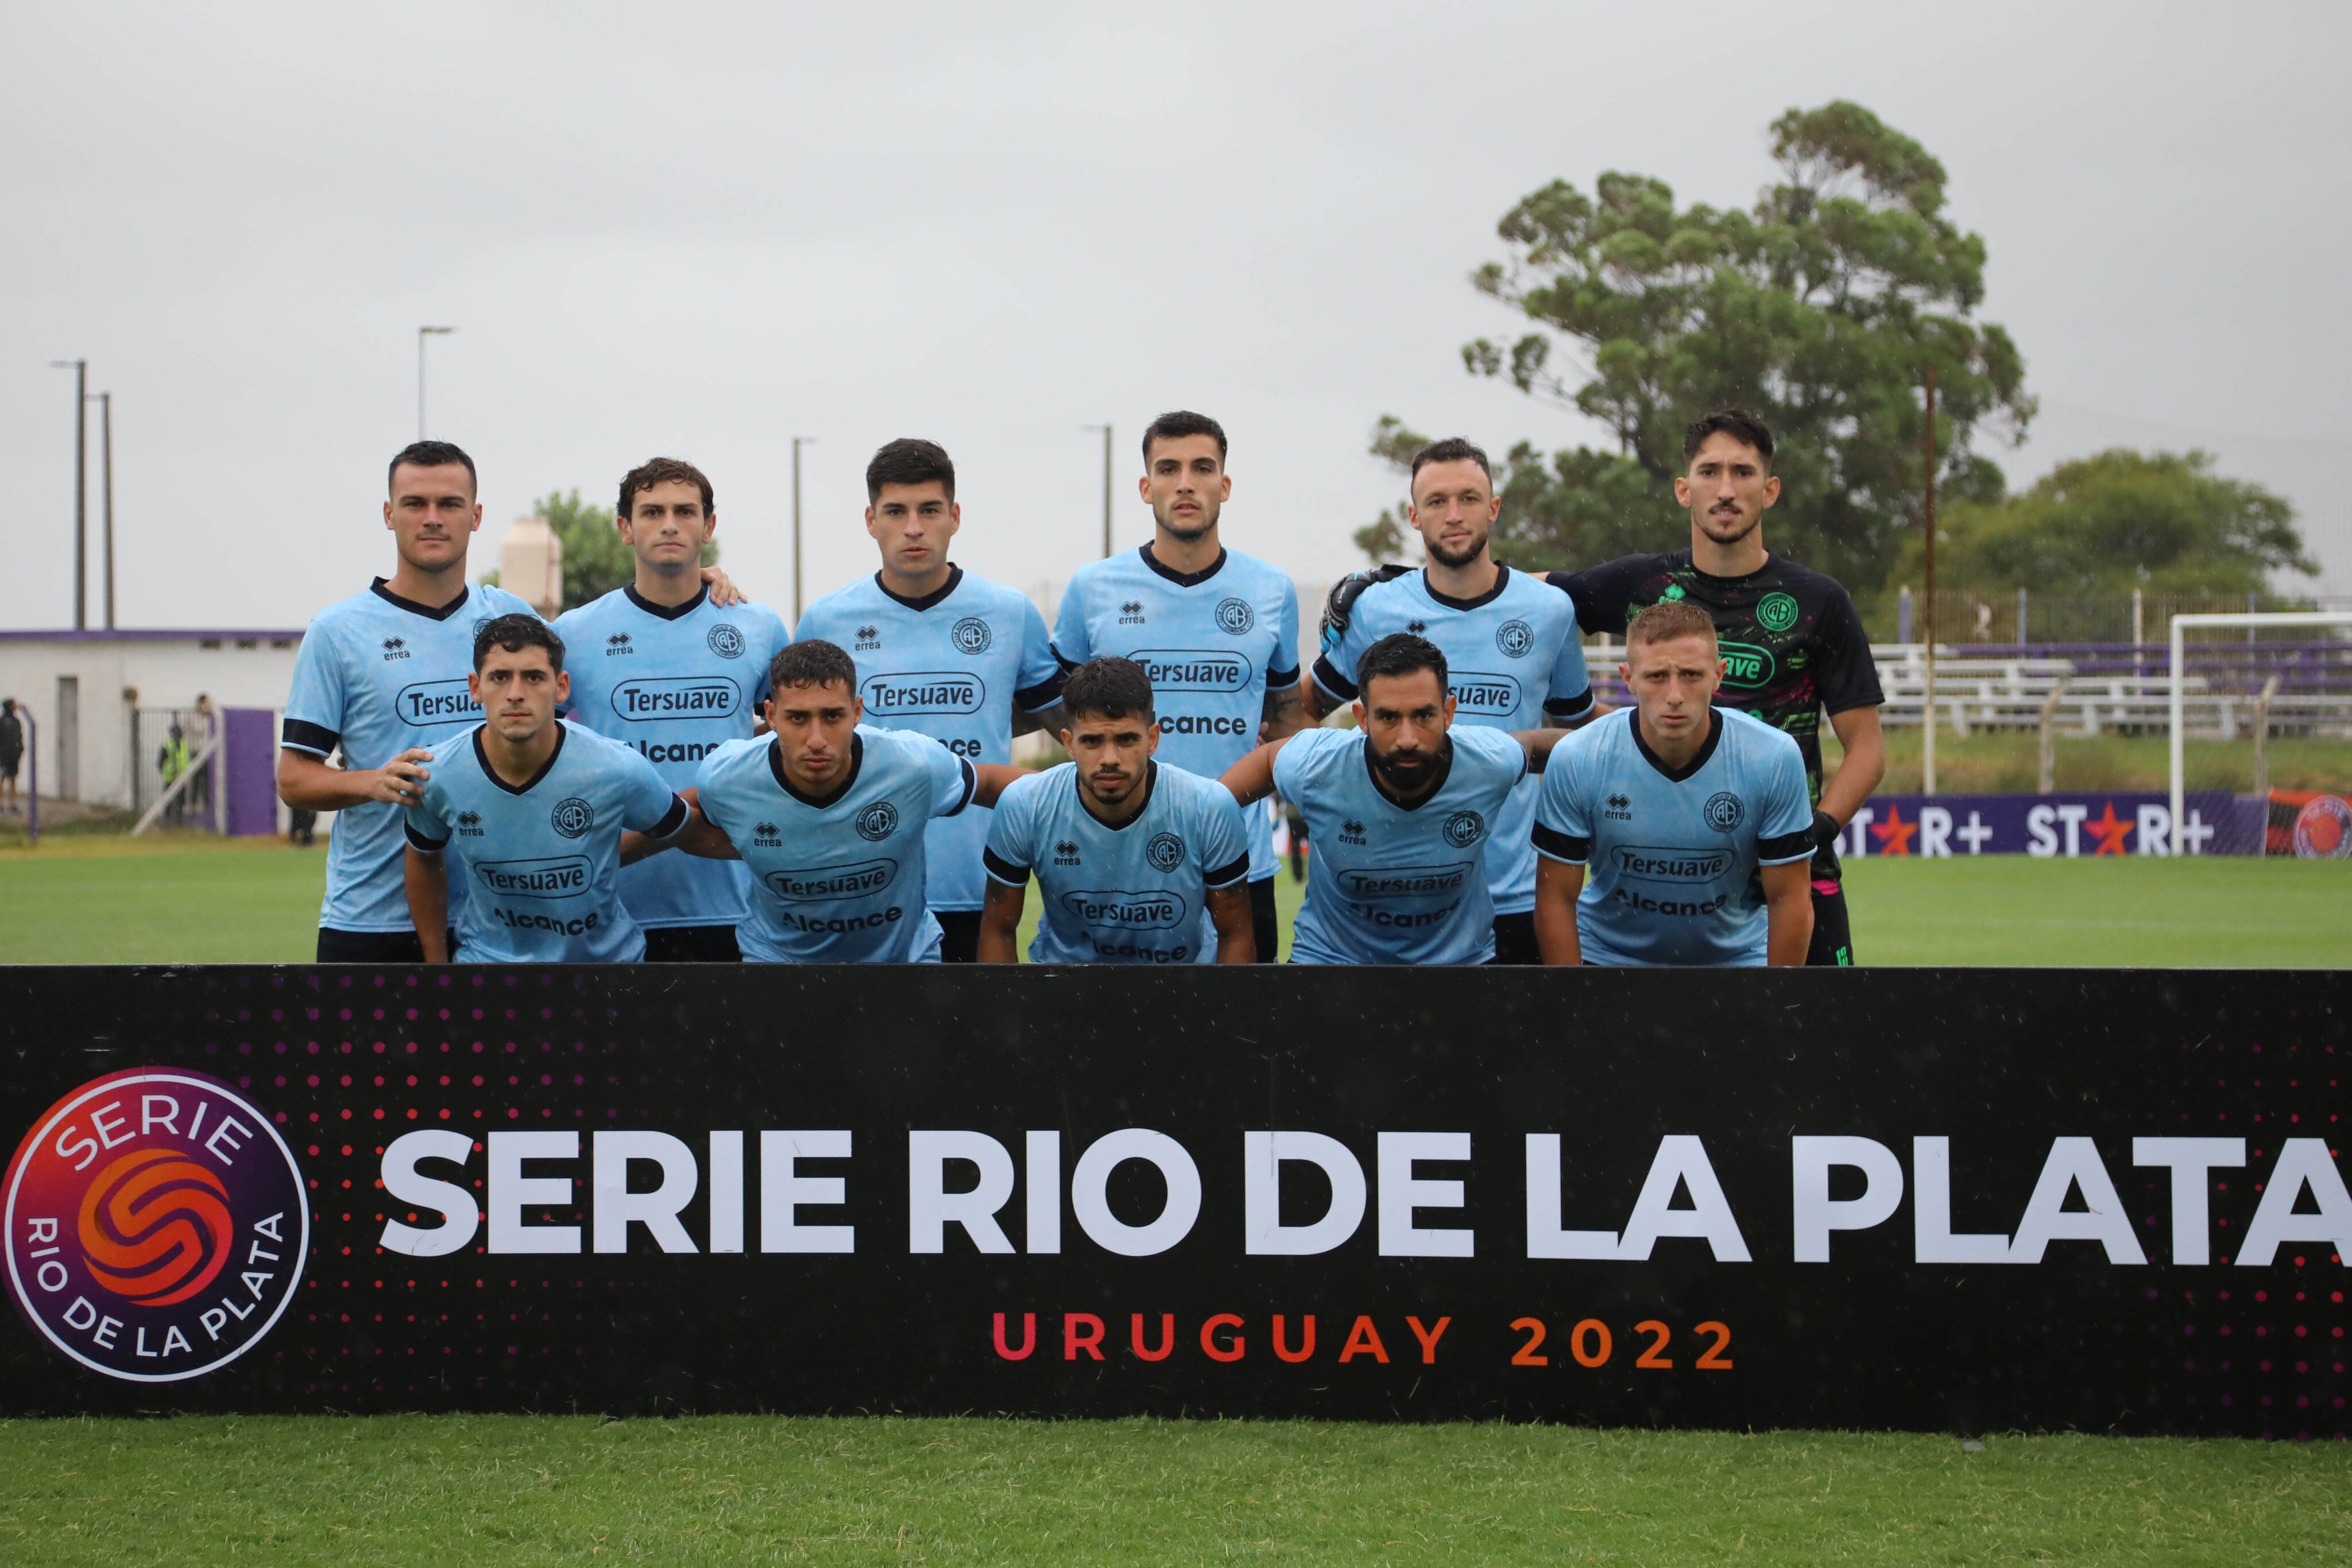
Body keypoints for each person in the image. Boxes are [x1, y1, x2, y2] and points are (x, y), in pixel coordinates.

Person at [277, 439, 742, 963]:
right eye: (415, 504)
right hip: (374, 913)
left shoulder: (512, 617)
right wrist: (373, 781)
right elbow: (294, 779)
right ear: (389, 514)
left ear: (475, 516)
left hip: (506, 926)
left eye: (450, 504)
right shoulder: (338, 631)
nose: (433, 519)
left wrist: (693, 582)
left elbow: (603, 681)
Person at [1546, 408, 1884, 966]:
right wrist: (1400, 582)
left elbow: (1867, 748)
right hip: (1674, 879)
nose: (1725, 489)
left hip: (1794, 878)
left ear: (1769, 489)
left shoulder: (1819, 601)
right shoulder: (1644, 584)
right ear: (1684, 489)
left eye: (1742, 472)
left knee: (1815, 1045)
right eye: (1709, 472)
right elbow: (1529, 598)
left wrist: (1812, 831)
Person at [1306, 436, 1593, 964]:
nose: (1454, 514)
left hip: (1513, 893)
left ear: (1495, 508)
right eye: (1437, 501)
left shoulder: (1550, 610)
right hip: (1397, 888)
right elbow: (1302, 706)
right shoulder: (1374, 608)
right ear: (1414, 516)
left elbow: (1579, 737)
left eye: (1469, 498)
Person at [795, 439, 1063, 963]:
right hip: (861, 889)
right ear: (871, 519)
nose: (913, 527)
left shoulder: (1010, 613)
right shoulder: (826, 621)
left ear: (955, 516)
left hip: (982, 884)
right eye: (896, 511)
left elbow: (1069, 726)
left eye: (929, 510)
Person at [1051, 411, 1305, 961]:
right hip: (1117, 863)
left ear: (1225, 484)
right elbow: (1063, 715)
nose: (1185, 482)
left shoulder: (1271, 590)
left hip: (1241, 860)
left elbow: (1286, 717)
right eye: (1168, 468)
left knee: (1240, 1038)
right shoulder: (1093, 588)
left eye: (1202, 467)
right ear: (1146, 487)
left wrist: (1245, 779)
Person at [551, 457, 791, 962]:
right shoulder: (575, 633)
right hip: (607, 903)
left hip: (733, 905)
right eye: (652, 511)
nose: (669, 524)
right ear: (624, 528)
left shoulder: (758, 626)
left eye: (685, 511)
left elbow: (792, 739)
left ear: (708, 527)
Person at [660, 640, 1027, 963]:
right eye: (798, 718)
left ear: (857, 712)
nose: (816, 739)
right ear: (771, 716)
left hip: (903, 965)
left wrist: (1074, 798)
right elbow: (668, 817)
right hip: (777, 965)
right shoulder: (728, 776)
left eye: (833, 716)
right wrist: (609, 851)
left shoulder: (912, 765)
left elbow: (994, 783)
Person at [1221, 633, 1565, 966]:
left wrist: (1610, 750)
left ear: (1449, 713)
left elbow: (1535, 745)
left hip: (1460, 968)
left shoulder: (1490, 761)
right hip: (1331, 964)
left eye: (1423, 716)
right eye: (1388, 717)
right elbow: (1258, 769)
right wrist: (1192, 816)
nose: (1407, 738)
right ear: (1362, 719)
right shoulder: (1317, 765)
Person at [1531, 602, 1815, 966]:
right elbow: (1554, 897)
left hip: (1736, 962)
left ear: (1719, 675)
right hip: (1608, 960)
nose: (1675, 695)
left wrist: (1778, 1006)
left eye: (1692, 675)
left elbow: (1790, 898)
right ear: (1628, 678)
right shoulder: (1578, 757)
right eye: (1656, 677)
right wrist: (1573, 1004)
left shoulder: (1773, 757)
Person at [403, 617, 694, 963]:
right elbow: (422, 858)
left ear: (561, 686)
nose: (515, 693)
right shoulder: (436, 774)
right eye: (499, 677)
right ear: (475, 686)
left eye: (534, 677)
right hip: (487, 968)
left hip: (606, 973)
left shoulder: (616, 767)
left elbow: (684, 829)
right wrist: (438, 967)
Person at [977, 656, 1254, 965]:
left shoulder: (1209, 807)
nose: (1110, 758)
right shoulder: (1024, 805)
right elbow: (998, 929)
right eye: (1092, 741)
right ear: (1068, 743)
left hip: (1183, 990)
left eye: (1126, 739)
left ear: (1152, 739)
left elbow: (1236, 934)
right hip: (1065, 991)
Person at [0, 698, 20, 813]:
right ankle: (5, 804)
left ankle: (11, 804)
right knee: (4, 779)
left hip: (10, 755)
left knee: (12, 779)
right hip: (6, 755)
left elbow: (19, 738)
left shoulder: (14, 722)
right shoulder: (8, 722)